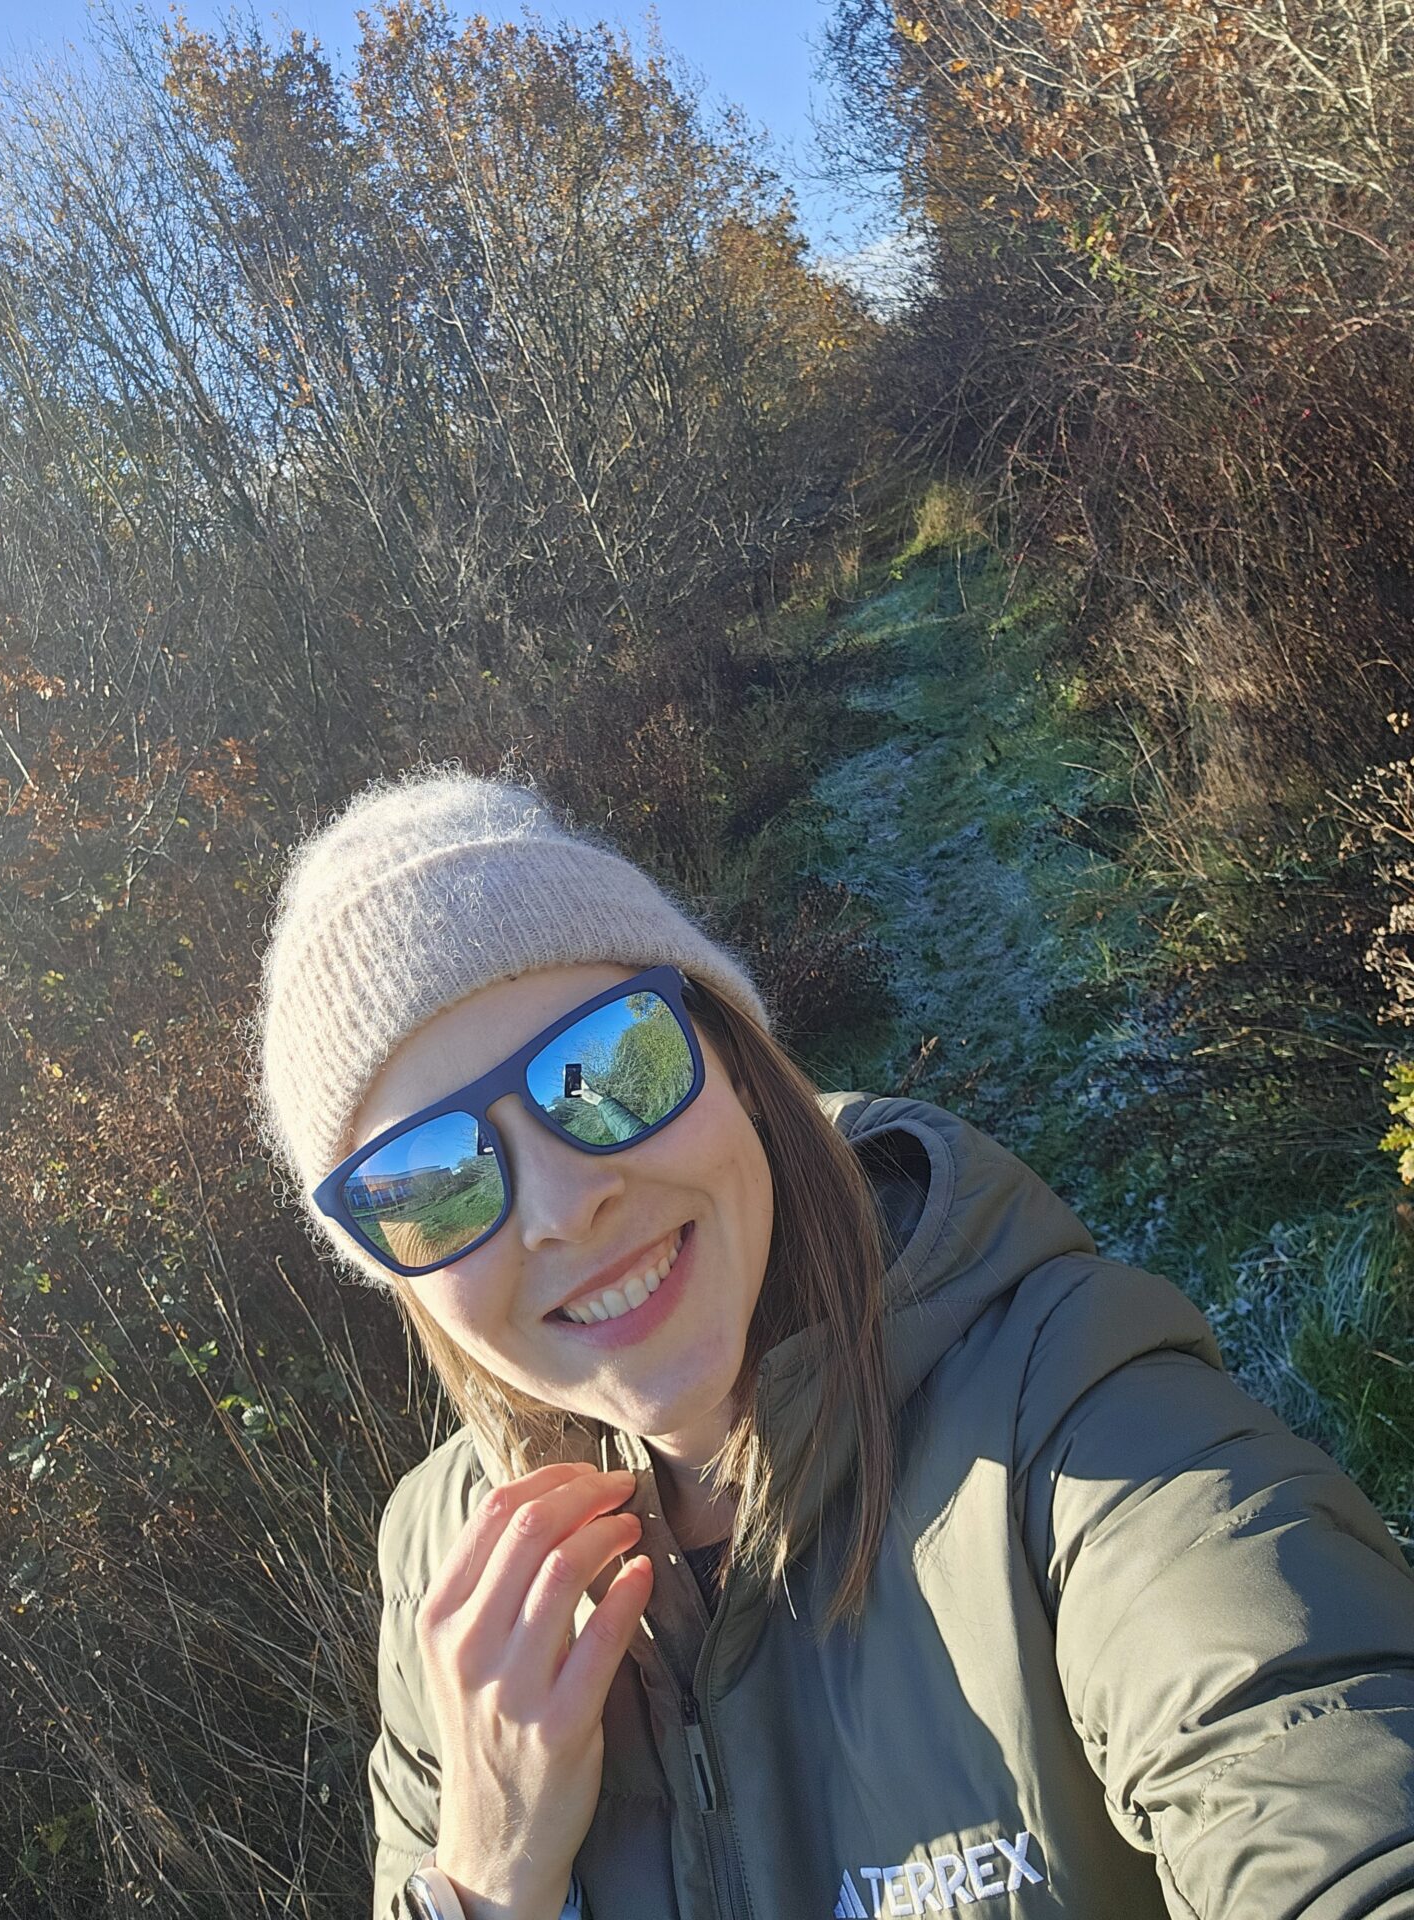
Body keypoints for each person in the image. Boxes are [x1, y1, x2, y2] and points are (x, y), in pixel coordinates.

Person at [248, 763, 1414, 1920]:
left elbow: (1320, 1780)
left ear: (734, 1060)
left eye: (602, 1067)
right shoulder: (445, 1580)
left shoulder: (1071, 1423)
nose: (563, 1208)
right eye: (433, 1181)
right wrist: (486, 1882)